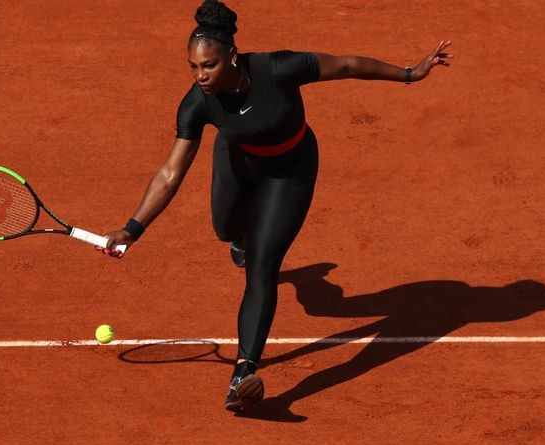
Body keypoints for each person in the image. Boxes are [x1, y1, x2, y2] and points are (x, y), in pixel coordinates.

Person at [101, 0, 453, 412]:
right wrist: (133, 228)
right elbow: (169, 174)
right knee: (224, 228)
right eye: (193, 67)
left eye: (209, 65)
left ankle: (243, 373)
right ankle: (242, 238)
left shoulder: (278, 68)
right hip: (237, 162)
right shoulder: (196, 103)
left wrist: (410, 73)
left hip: (290, 170)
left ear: (232, 56)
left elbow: (345, 65)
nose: (201, 75)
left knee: (262, 266)